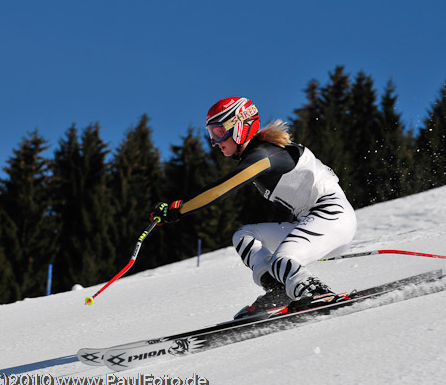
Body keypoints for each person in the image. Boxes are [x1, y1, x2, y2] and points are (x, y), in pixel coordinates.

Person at [150, 96, 357, 318]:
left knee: (282, 258)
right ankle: (279, 291)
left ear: (239, 127)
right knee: (245, 236)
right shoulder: (260, 155)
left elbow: (222, 189)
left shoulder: (265, 155)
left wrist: (179, 209)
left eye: (219, 132)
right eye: (211, 134)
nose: (215, 142)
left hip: (333, 216)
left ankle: (316, 292)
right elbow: (287, 209)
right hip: (313, 222)